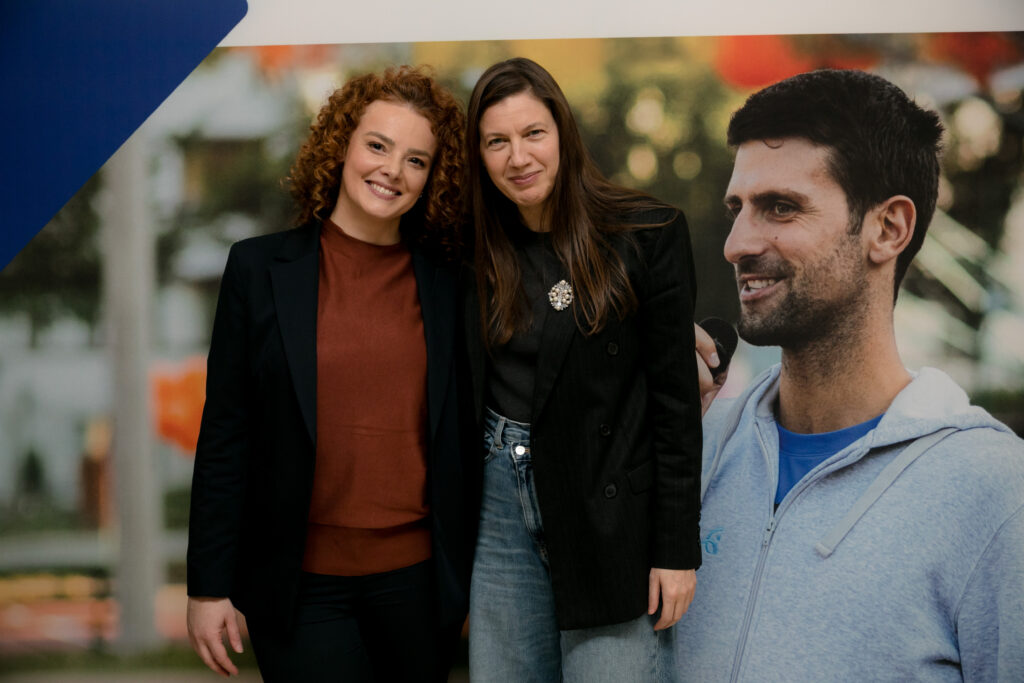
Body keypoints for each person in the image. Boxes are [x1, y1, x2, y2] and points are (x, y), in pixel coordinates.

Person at [670, 69, 1024, 681]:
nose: (736, 243)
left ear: (888, 229)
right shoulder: (698, 449)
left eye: (780, 207)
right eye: (738, 209)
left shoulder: (995, 495)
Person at [185, 66, 475, 682]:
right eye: (378, 145)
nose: (392, 171)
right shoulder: (257, 269)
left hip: (419, 586)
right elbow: (225, 436)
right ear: (341, 145)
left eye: (416, 160)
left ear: (433, 177)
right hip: (299, 586)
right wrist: (208, 586)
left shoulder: (453, 282)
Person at [463, 57, 703, 682]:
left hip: (608, 513)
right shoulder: (472, 250)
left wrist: (677, 551)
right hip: (499, 509)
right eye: (497, 141)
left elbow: (676, 409)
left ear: (563, 133)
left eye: (533, 134)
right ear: (479, 156)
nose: (519, 157)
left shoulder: (646, 234)